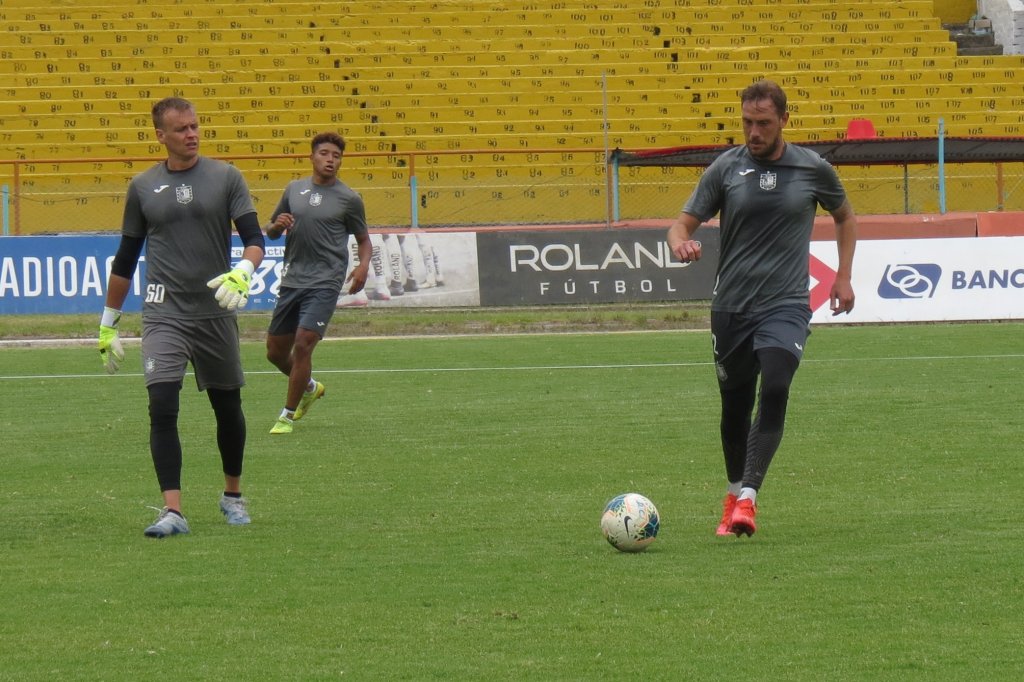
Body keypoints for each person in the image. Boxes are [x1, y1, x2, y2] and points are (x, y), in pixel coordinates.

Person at [667, 79, 858, 538]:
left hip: (786, 304)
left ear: (784, 120)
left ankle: (749, 499)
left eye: (764, 123)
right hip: (731, 306)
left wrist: (843, 275)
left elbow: (845, 216)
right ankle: (733, 493)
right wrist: (680, 243)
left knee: (775, 385)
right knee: (734, 408)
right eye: (747, 122)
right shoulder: (726, 168)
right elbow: (680, 225)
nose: (754, 132)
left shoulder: (813, 168)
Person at [97, 96, 266, 538]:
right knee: (162, 405)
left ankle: (233, 495)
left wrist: (244, 271)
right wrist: (108, 323)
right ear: (161, 135)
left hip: (214, 312)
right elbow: (125, 259)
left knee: (228, 407)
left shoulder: (227, 177)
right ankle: (173, 511)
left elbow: (255, 239)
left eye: (194, 126)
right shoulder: (142, 187)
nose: (192, 134)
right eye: (181, 129)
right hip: (163, 312)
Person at [264, 132, 371, 435]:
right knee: (274, 352)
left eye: (336, 156)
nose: (330, 160)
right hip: (292, 279)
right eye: (324, 153)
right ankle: (310, 387)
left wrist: (362, 266)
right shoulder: (293, 190)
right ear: (311, 157)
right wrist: (277, 225)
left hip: (325, 280)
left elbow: (364, 240)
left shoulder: (349, 199)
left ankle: (286, 416)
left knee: (303, 344)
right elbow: (270, 230)